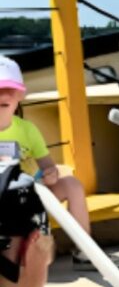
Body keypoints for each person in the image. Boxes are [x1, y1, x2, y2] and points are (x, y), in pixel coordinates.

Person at [0, 55, 94, 268]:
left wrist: (50, 174)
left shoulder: (28, 130)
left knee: (72, 184)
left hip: (30, 195)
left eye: (8, 91)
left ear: (18, 97)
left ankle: (85, 251)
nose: (2, 95)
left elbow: (48, 167)